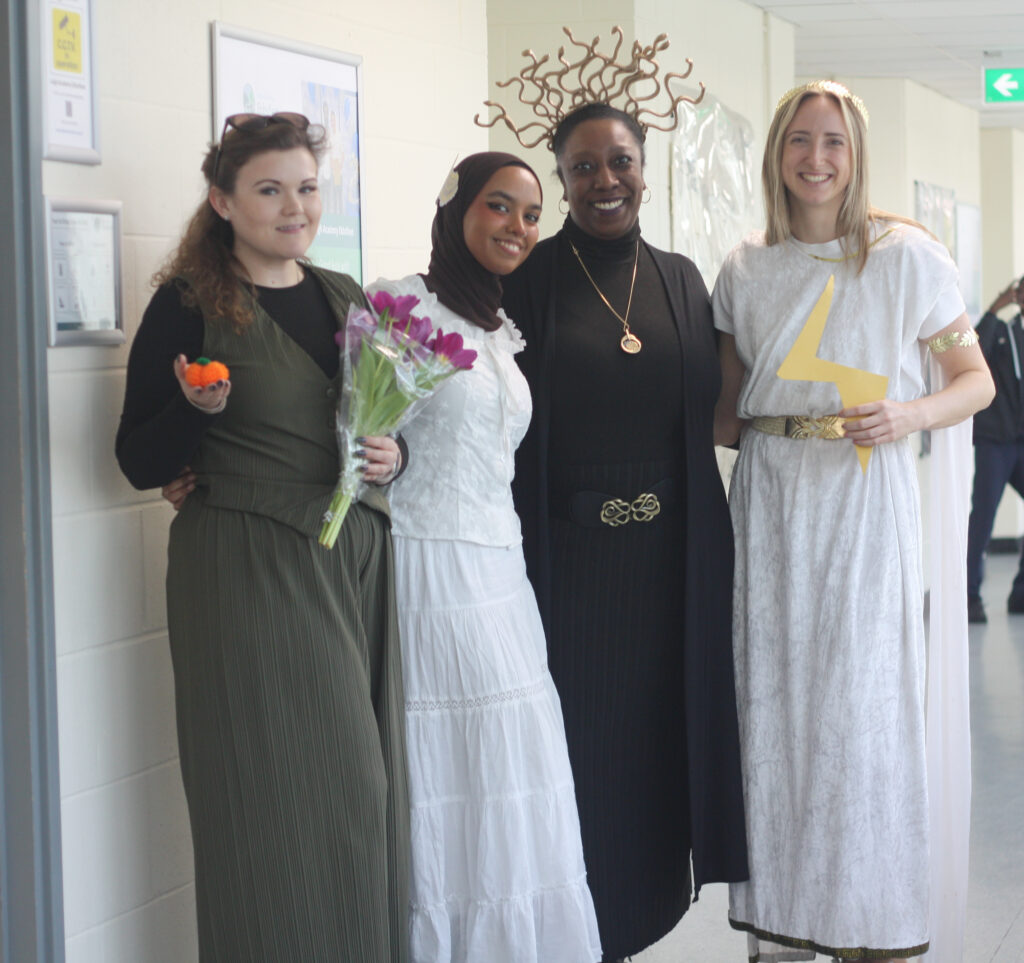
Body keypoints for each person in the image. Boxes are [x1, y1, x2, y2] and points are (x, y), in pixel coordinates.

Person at [115, 112, 410, 963]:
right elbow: (139, 458)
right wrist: (196, 414)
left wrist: (394, 455)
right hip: (250, 569)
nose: (294, 207)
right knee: (282, 798)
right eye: (270, 189)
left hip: (352, 561)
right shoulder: (186, 308)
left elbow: (375, 422)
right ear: (223, 199)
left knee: (365, 795)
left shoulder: (343, 295)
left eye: (307, 188)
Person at [713, 81, 994, 961]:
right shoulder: (746, 266)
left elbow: (975, 381)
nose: (816, 158)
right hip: (770, 499)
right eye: (800, 139)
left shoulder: (908, 256)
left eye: (833, 141)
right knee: (774, 708)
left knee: (861, 711)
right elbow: (725, 413)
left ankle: (870, 923)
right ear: (776, 152)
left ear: (856, 152)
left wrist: (907, 415)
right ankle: (785, 929)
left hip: (865, 495)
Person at [501, 102, 749, 961]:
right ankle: (582, 935)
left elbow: (725, 411)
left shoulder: (682, 279)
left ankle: (638, 926)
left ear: (646, 166)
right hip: (566, 571)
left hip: (669, 567)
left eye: (621, 162)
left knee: (653, 754)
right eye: (583, 167)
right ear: (562, 180)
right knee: (580, 760)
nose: (606, 181)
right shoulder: (527, 282)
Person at [367, 151, 601, 963]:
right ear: (456, 209)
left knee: (511, 774)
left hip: (503, 574)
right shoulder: (400, 304)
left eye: (532, 214)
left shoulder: (500, 327)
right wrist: (385, 459)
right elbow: (356, 434)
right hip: (428, 572)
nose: (517, 227)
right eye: (499, 207)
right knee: (450, 779)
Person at [965, 275, 1024, 623]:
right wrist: (992, 309)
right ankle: (969, 597)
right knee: (982, 521)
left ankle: (1020, 593)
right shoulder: (1001, 332)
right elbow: (971, 348)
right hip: (994, 445)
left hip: (1021, 442)